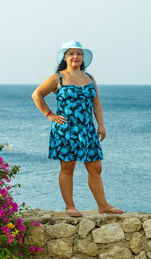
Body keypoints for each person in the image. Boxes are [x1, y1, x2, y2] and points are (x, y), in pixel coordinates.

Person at [31, 40, 124, 216]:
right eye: (71, 53)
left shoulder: (90, 78)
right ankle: (70, 206)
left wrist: (101, 125)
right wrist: (49, 114)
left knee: (95, 167)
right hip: (65, 129)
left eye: (79, 54)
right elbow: (36, 95)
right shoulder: (57, 78)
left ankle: (103, 205)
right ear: (64, 57)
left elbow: (96, 102)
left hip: (87, 129)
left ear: (83, 58)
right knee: (68, 167)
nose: (75, 57)